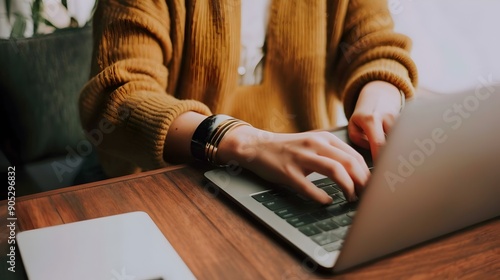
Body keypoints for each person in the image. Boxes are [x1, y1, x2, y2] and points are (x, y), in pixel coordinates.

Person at [79, 0, 418, 204]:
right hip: (169, 181)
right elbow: (119, 99)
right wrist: (248, 142)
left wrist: (380, 95)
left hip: (306, 177)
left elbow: (373, 46)